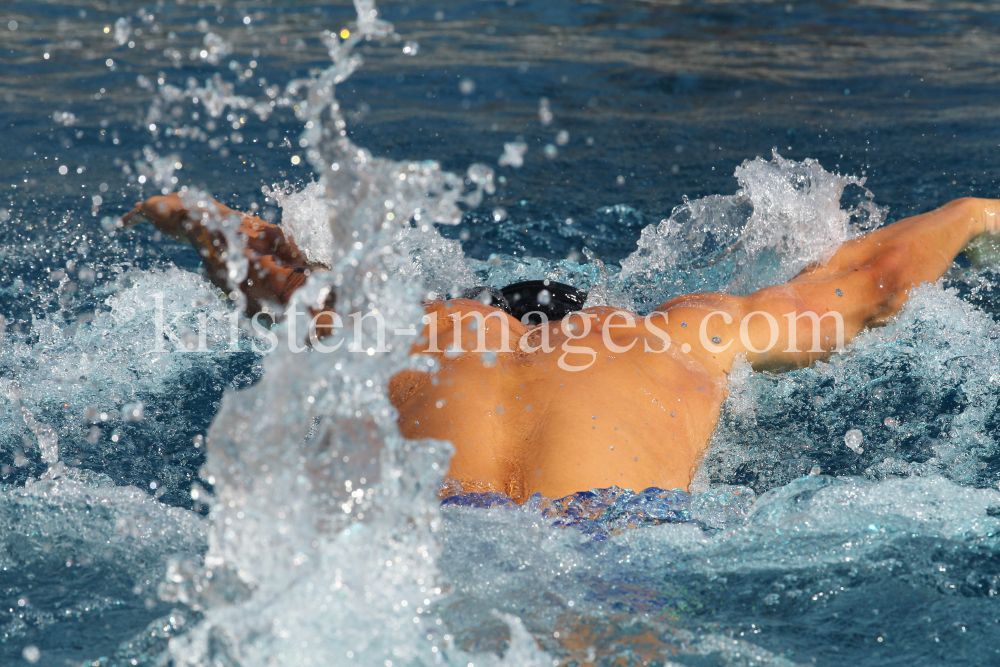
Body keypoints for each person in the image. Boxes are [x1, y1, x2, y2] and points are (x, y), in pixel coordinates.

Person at [123, 193, 1000, 502]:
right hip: (619, 540)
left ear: (489, 312)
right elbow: (871, 282)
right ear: (597, 313)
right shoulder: (678, 331)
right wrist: (970, 215)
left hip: (443, 538)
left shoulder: (418, 328)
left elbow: (274, 278)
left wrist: (211, 223)